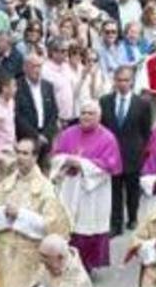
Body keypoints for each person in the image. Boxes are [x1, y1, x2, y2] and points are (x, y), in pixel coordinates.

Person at [0, 138, 72, 287]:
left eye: (25, 153)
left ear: (35, 157)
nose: (19, 157)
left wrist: (21, 215)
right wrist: (3, 213)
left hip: (30, 258)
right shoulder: (6, 184)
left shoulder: (46, 189)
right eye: (17, 152)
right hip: (2, 255)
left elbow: (52, 226)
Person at [50, 104, 123, 272]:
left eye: (91, 113)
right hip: (70, 188)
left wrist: (82, 164)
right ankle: (64, 261)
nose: (86, 116)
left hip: (92, 192)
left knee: (87, 227)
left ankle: (86, 266)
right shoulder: (68, 134)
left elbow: (109, 166)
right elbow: (56, 156)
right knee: (68, 223)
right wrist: (66, 161)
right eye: (83, 113)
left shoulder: (108, 138)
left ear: (99, 117)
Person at [99, 67, 153, 233]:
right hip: (112, 155)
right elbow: (102, 128)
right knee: (115, 190)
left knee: (132, 189)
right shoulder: (105, 101)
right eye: (119, 80)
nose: (122, 84)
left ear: (132, 82)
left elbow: (146, 130)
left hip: (133, 153)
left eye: (126, 80)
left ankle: (132, 217)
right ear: (114, 81)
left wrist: (140, 150)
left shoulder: (142, 104)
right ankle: (116, 223)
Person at [14, 54, 60, 154]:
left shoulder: (48, 86)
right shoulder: (17, 86)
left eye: (39, 66)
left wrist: (46, 135)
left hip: (46, 139)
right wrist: (35, 136)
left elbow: (54, 112)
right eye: (33, 66)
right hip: (25, 139)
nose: (37, 70)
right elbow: (17, 115)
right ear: (25, 68)